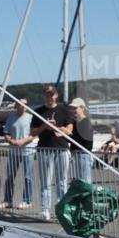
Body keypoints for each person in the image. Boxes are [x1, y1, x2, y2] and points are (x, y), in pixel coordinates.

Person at [31, 85, 74, 220]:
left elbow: (69, 130)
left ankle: (61, 209)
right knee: (45, 181)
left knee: (62, 181)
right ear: (44, 96)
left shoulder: (64, 110)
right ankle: (45, 209)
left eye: (52, 95)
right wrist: (44, 125)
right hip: (44, 149)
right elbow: (32, 132)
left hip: (62, 149)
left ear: (56, 95)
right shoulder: (38, 111)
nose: (49, 97)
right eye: (47, 95)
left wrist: (56, 127)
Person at [1, 98, 35, 209]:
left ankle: (27, 200)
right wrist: (10, 140)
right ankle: (7, 200)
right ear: (16, 105)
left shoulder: (31, 118)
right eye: (20, 104)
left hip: (28, 151)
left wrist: (23, 142)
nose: (22, 106)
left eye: (25, 104)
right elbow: (6, 133)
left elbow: (34, 134)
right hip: (13, 151)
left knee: (28, 177)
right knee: (10, 176)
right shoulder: (11, 118)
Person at [69, 97, 94, 182]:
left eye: (75, 108)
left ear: (82, 108)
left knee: (85, 183)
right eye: (72, 108)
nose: (73, 110)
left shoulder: (85, 122)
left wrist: (68, 135)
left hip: (84, 155)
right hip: (77, 154)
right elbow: (74, 139)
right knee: (79, 182)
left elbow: (86, 142)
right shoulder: (76, 122)